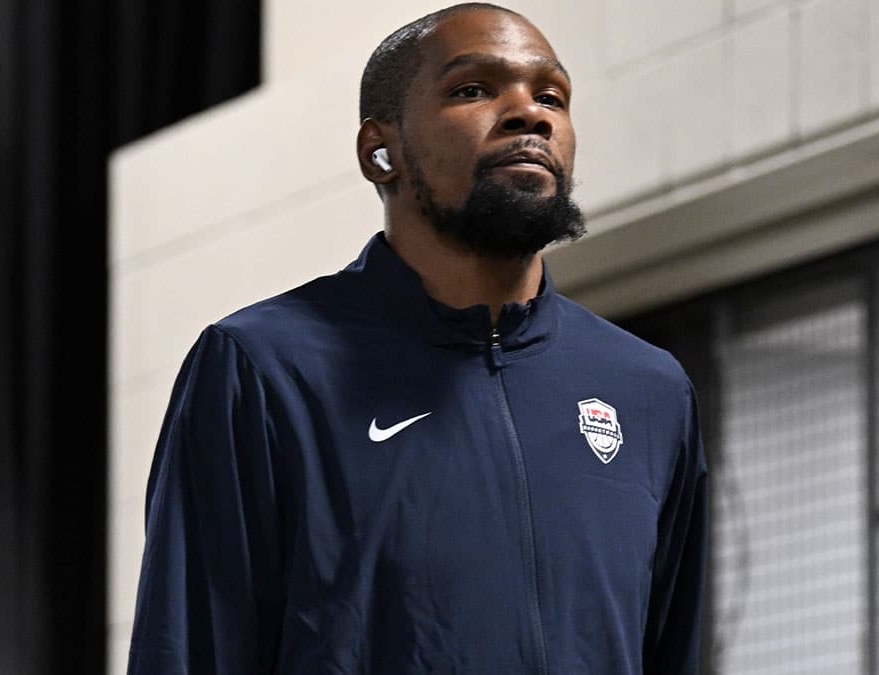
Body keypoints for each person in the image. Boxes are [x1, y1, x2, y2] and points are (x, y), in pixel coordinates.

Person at [126, 3, 708, 673]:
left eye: (552, 96)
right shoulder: (262, 367)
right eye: (473, 90)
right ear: (381, 151)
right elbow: (192, 649)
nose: (530, 114)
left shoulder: (651, 391)